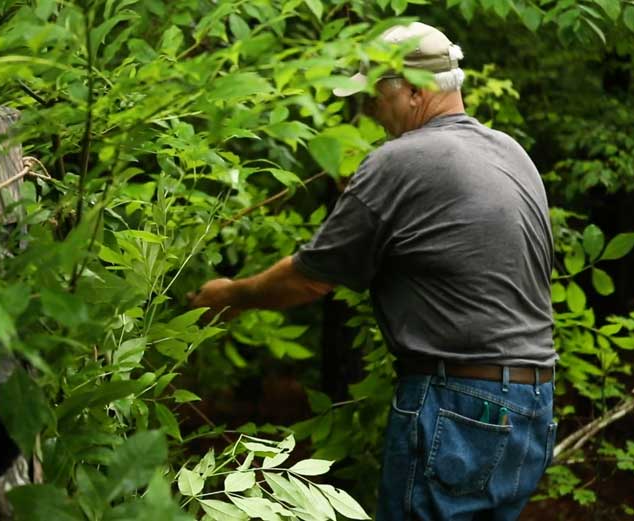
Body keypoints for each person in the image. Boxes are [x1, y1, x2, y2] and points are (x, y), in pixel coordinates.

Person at [189, 22, 558, 521]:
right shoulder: (511, 153)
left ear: (412, 90)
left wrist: (230, 295)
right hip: (531, 404)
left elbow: (311, 277)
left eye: (375, 98)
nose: (370, 113)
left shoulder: (403, 159)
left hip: (459, 402)